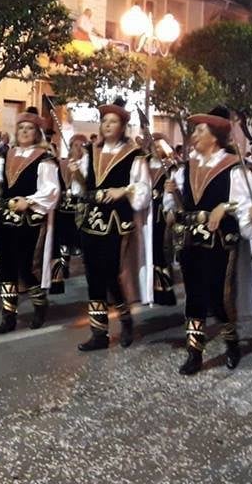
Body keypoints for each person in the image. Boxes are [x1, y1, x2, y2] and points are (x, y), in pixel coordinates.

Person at [164, 106, 252, 376]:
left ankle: (231, 342)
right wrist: (171, 195)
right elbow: (177, 206)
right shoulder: (187, 166)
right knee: (193, 294)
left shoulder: (233, 167)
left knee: (219, 296)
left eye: (199, 130)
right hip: (191, 239)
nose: (194, 135)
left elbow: (247, 203)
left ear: (214, 137)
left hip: (219, 241)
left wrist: (224, 206)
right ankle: (194, 352)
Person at [75, 102, 150, 351]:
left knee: (111, 274)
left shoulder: (134, 155)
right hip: (91, 221)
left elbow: (142, 189)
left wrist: (123, 190)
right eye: (104, 120)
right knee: (92, 276)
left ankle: (126, 320)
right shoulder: (90, 151)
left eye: (113, 121)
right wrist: (75, 174)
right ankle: (99, 333)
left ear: (123, 127)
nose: (107, 124)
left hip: (116, 222)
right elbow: (82, 188)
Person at [0, 108, 60, 334]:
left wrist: (29, 200)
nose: (25, 132)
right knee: (6, 265)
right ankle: (8, 316)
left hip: (29, 219)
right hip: (6, 218)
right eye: (21, 128)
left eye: (29, 128)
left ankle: (39, 304)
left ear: (36, 132)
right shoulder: (6, 155)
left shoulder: (44, 158)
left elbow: (51, 190)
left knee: (26, 266)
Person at [51, 134, 88, 295]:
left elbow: (85, 186)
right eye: (75, 145)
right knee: (60, 240)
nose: (78, 148)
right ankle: (59, 274)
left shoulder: (86, 164)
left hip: (78, 208)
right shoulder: (61, 164)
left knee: (79, 240)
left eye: (81, 145)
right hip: (61, 208)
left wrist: (78, 172)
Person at [147, 133, 178, 307]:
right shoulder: (143, 164)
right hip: (144, 214)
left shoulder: (170, 167)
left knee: (160, 250)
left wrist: (171, 211)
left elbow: (173, 192)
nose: (156, 149)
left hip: (160, 213)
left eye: (159, 146)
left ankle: (163, 290)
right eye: (154, 146)